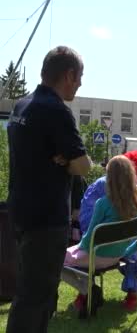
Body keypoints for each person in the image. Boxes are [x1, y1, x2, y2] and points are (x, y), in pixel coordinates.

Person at [6, 46, 91, 333]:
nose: (80, 84)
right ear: (69, 75)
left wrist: (61, 158)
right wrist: (68, 161)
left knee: (29, 293)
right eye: (79, 78)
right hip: (46, 219)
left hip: (21, 212)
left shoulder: (22, 106)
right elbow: (83, 166)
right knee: (36, 298)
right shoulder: (56, 111)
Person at [61, 156, 137, 318]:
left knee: (54, 261)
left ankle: (88, 289)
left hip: (95, 256)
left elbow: (89, 239)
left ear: (108, 177)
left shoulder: (102, 203)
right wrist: (125, 250)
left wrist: (76, 251)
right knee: (66, 254)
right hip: (117, 256)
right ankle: (89, 290)